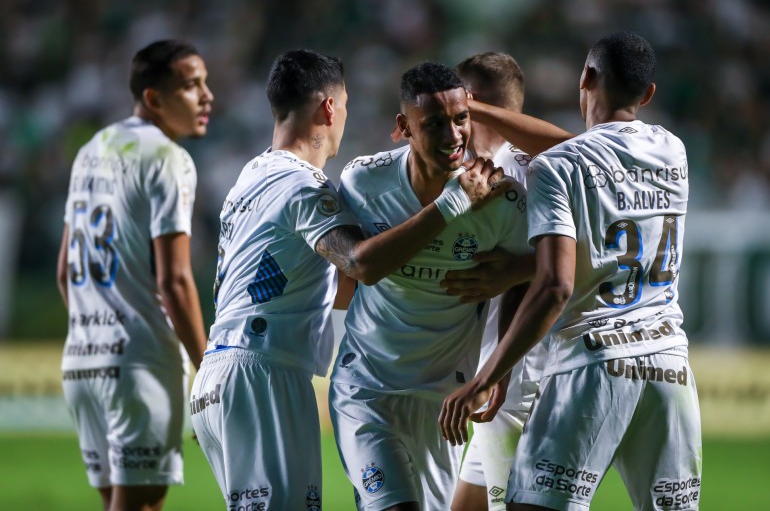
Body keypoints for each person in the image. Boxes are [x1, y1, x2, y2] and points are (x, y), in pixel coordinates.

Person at [189, 50, 506, 511]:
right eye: (347, 105)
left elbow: (333, 285)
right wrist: (452, 203)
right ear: (329, 108)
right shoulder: (301, 186)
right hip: (263, 372)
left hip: (220, 372)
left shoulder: (250, 177)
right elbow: (360, 263)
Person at [439, 31, 702, 511]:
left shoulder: (555, 169)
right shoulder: (673, 150)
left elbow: (555, 286)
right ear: (648, 95)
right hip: (670, 368)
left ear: (585, 78)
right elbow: (583, 155)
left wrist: (484, 377)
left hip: (593, 363)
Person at [328, 61, 531, 511]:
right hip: (368, 389)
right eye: (434, 123)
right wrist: (454, 202)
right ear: (403, 127)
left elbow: (523, 278)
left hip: (443, 401)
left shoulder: (505, 199)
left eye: (461, 120)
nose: (453, 135)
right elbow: (361, 267)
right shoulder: (365, 181)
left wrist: (499, 370)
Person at [56, 39, 212, 511]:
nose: (208, 96)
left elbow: (65, 271)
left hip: (82, 360)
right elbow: (175, 280)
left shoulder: (91, 149)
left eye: (206, 83)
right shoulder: (167, 158)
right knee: (142, 502)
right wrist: (207, 370)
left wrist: (98, 330)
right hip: (139, 363)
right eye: (191, 85)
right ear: (153, 98)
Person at [450, 52, 570, 511]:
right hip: (495, 373)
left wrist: (495, 374)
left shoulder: (525, 170)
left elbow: (563, 265)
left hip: (514, 378)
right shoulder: (490, 165)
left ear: (471, 103)